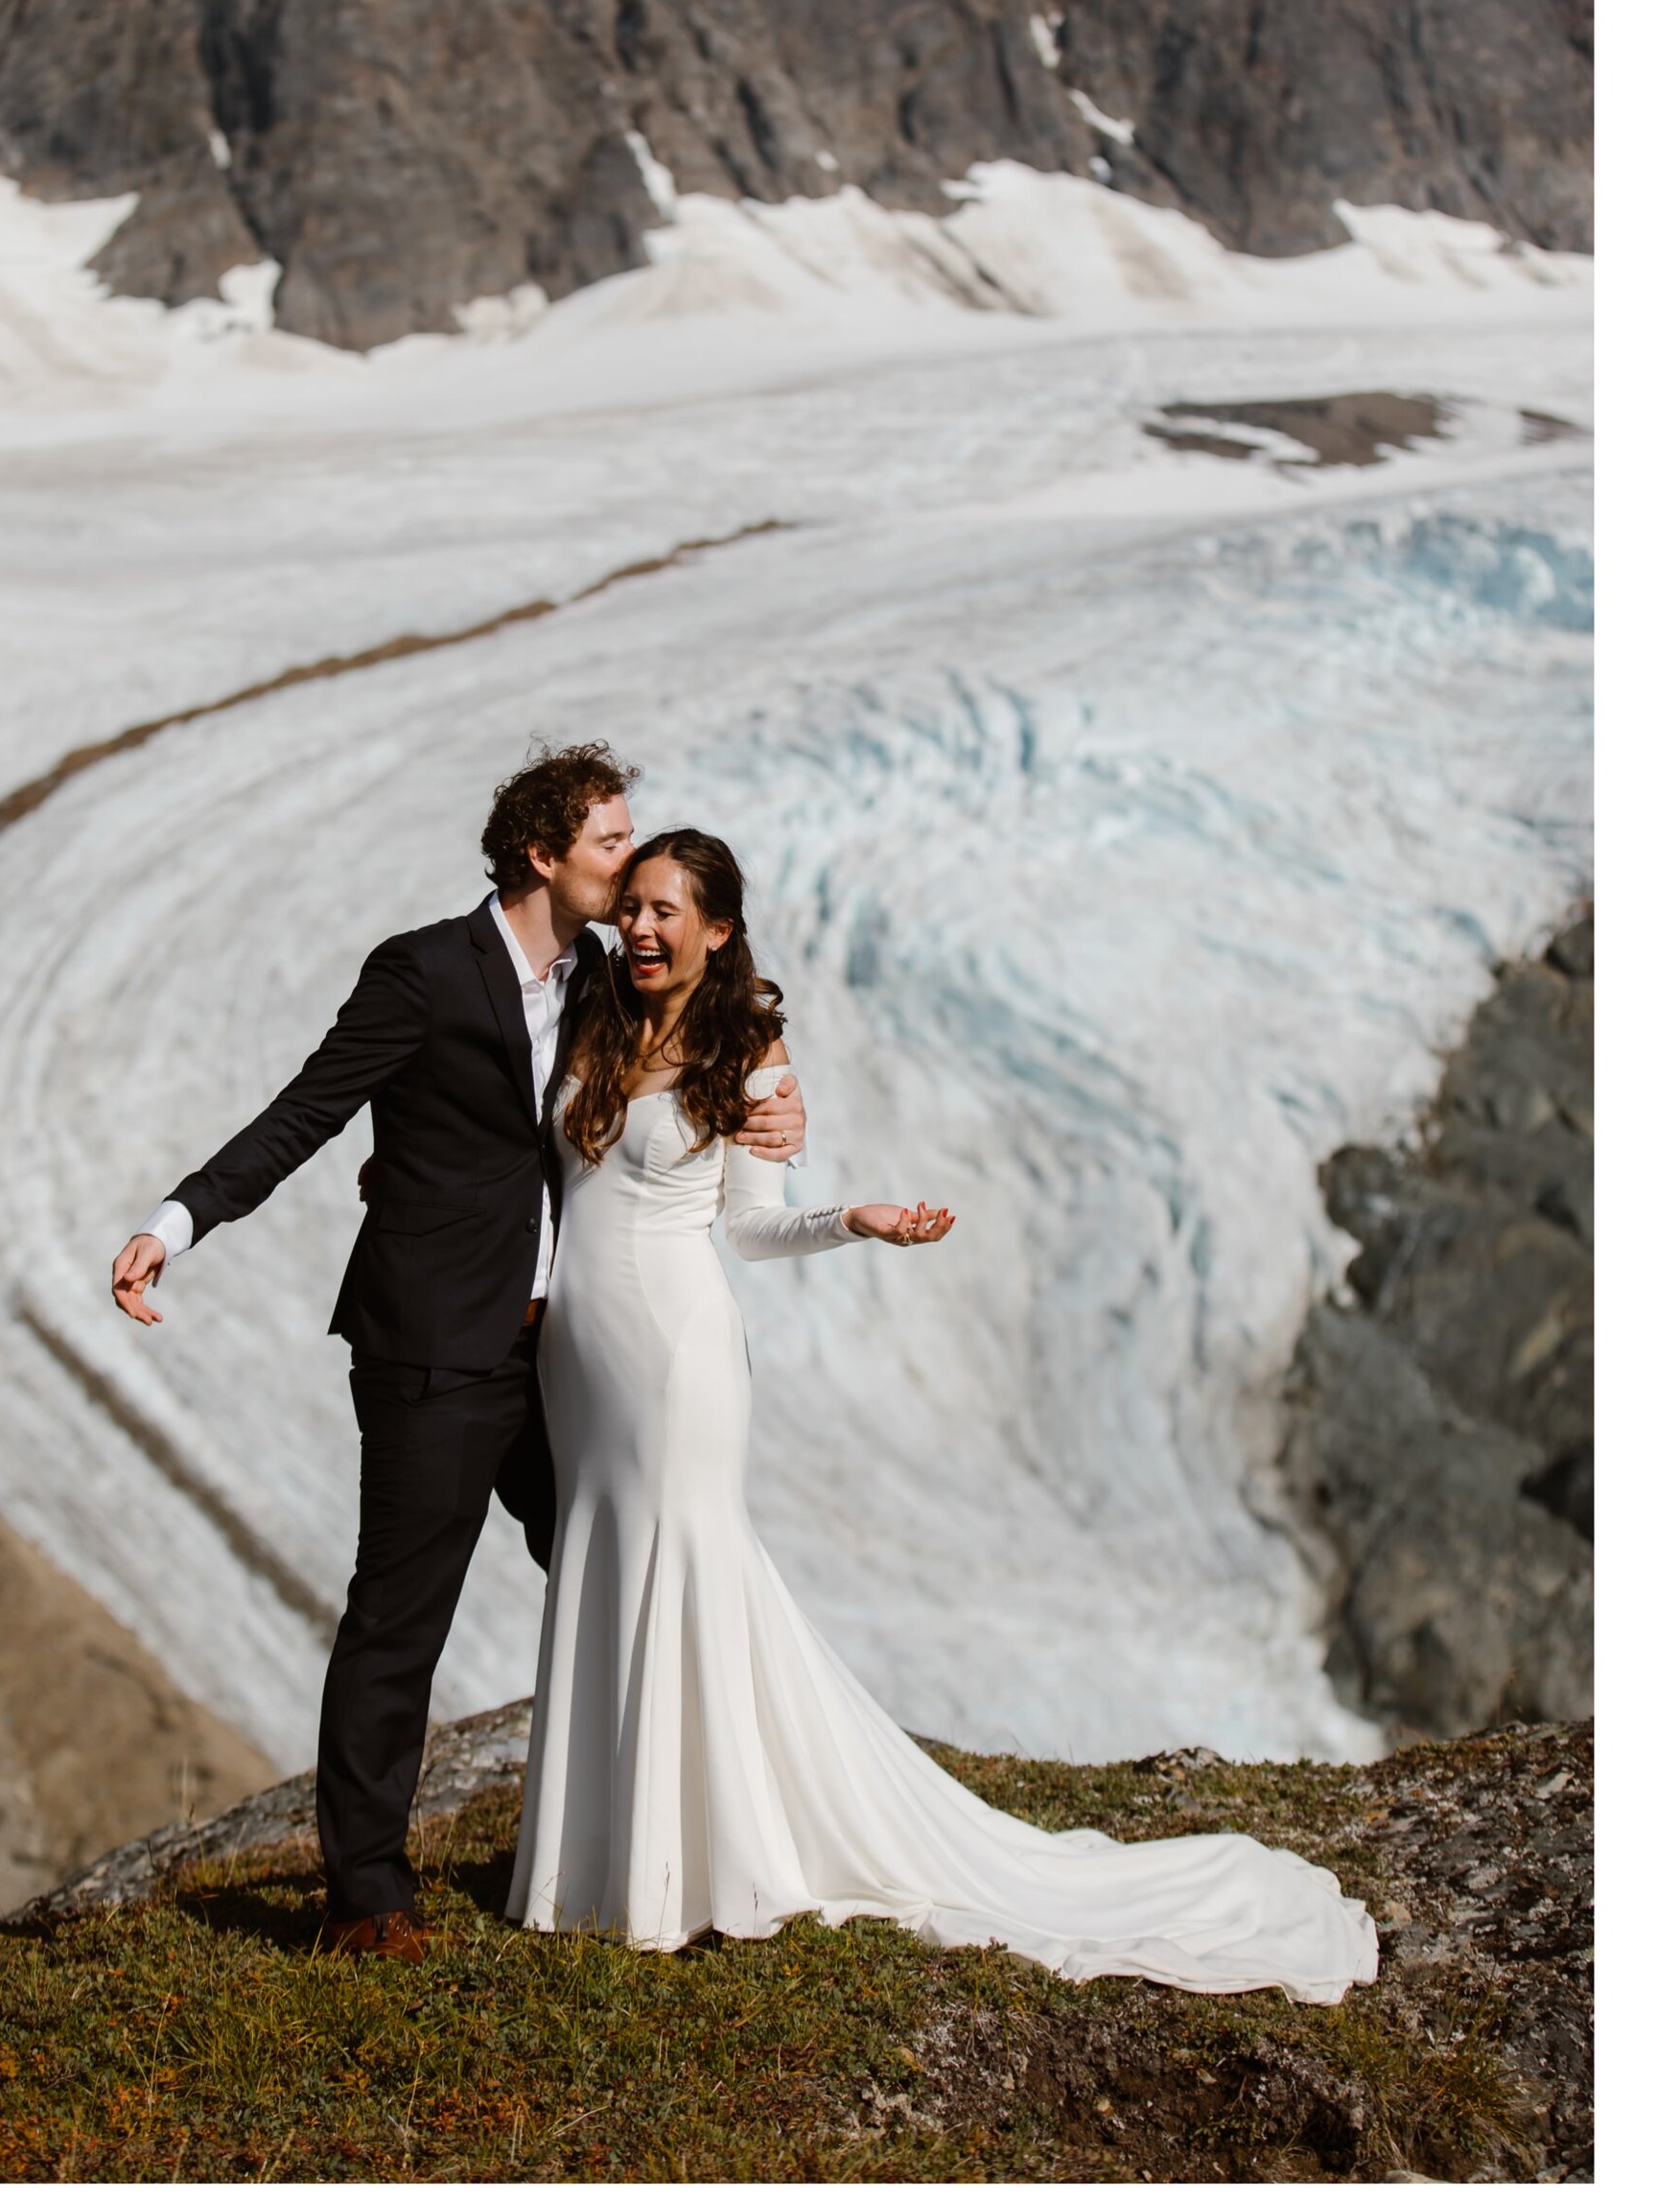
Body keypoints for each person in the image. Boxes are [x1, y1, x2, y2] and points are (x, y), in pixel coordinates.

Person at [509, 827, 1379, 2002]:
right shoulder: (595, 1014)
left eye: (670, 911)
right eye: (637, 908)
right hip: (577, 1357)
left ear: (720, 929)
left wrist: (847, 1219)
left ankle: (696, 1867)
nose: (646, 929)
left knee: (688, 1564)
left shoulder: (747, 1048)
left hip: (676, 1356)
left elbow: (754, 1225)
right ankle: (607, 1862)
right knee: (603, 1562)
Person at [107, 744, 806, 1962]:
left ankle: (687, 1836)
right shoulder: (424, 969)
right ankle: (364, 1896)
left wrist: (768, 1096)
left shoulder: (596, 973)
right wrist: (177, 1222)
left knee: (640, 1565)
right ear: (542, 854)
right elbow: (309, 1107)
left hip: (563, 1355)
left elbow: (687, 1037)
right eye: (606, 843)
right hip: (434, 1349)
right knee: (399, 1613)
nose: (627, 865)